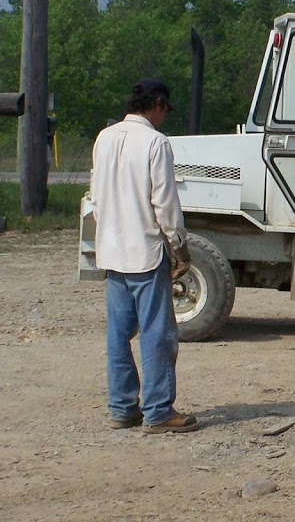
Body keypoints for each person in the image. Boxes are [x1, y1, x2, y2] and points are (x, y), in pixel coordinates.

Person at [91, 78, 198, 434]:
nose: (164, 116)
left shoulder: (105, 138)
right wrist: (178, 243)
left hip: (111, 250)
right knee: (157, 333)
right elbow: (164, 202)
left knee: (118, 334)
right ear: (156, 104)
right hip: (146, 251)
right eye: (165, 109)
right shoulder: (155, 142)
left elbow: (96, 196)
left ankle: (122, 408)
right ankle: (158, 410)